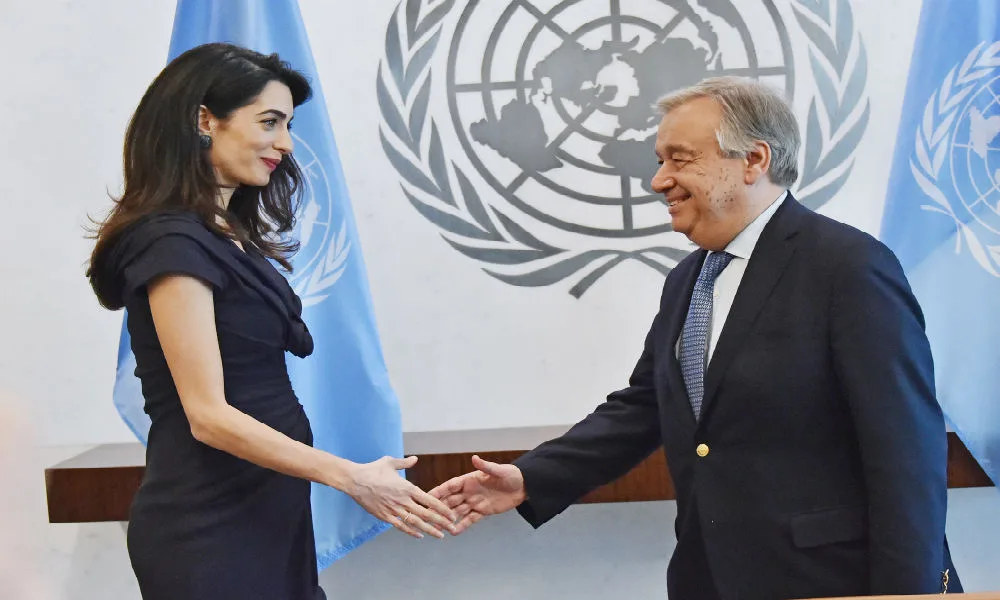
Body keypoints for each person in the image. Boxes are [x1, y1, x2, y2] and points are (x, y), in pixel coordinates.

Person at [431, 76, 962, 599]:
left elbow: (905, 454)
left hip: (834, 583)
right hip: (708, 580)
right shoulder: (690, 278)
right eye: (660, 161)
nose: (660, 180)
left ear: (754, 160)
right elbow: (645, 409)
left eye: (679, 159)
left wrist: (907, 595)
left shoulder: (848, 267)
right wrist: (529, 478)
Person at [86, 43, 456, 600]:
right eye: (270, 122)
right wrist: (349, 476)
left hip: (267, 509)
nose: (285, 144)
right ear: (204, 119)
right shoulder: (169, 241)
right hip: (209, 526)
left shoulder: (223, 235)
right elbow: (208, 416)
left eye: (288, 125)